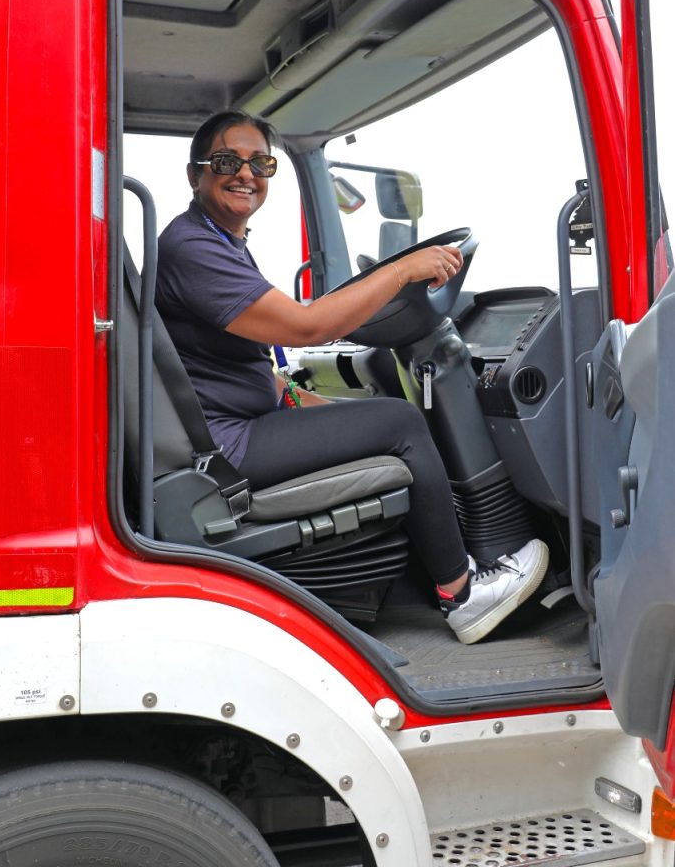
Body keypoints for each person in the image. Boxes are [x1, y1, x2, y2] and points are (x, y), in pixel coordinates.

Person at [155, 109, 549, 644]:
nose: (246, 174)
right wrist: (402, 271)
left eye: (261, 163)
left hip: (232, 425)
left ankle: (437, 571)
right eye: (227, 161)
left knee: (372, 422)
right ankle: (463, 595)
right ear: (195, 173)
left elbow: (231, 359)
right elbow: (308, 326)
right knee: (403, 422)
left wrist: (301, 402)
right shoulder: (193, 247)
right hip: (228, 444)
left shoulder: (218, 241)